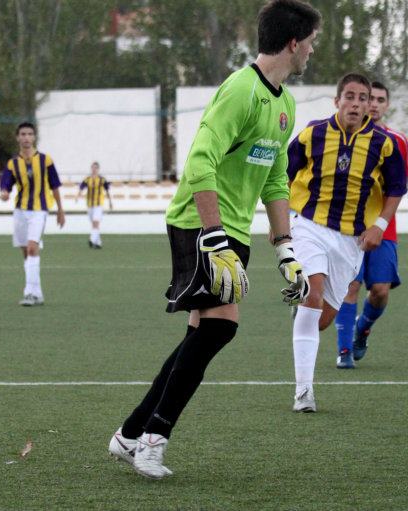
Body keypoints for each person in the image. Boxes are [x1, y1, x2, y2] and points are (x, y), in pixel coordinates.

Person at [107, 0, 320, 479]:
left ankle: (130, 433)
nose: (312, 50)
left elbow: (275, 179)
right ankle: (152, 439)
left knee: (202, 334)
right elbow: (199, 163)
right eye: (310, 41)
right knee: (221, 327)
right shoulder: (240, 91)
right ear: (292, 42)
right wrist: (214, 238)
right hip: (200, 223)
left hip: (232, 228)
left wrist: (285, 248)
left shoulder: (284, 102)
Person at [287, 73, 408, 412]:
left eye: (362, 98)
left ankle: (304, 310)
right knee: (314, 291)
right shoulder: (312, 134)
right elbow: (282, 175)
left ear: (370, 103)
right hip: (309, 226)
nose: (356, 103)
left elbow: (397, 187)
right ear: (337, 101)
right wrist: (278, 221)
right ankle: (303, 392)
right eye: (350, 96)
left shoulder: (383, 143)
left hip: (350, 241)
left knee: (322, 318)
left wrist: (379, 225)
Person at [332, 81, 408, 369]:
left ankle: (362, 329)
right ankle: (344, 351)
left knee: (380, 291)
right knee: (350, 286)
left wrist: (380, 222)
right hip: (348, 227)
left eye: (381, 99)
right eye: (371, 99)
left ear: (386, 104)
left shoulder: (397, 141)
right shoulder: (344, 137)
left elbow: (398, 187)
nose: (375, 104)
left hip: (383, 229)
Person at [0, 122, 66, 306]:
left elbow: (55, 186)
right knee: (26, 254)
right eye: (23, 134)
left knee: (31, 248)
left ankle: (29, 293)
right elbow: (6, 184)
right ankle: (38, 293)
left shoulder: (46, 160)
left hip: (39, 210)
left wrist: (60, 210)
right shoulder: (13, 163)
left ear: (34, 137)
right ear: (17, 137)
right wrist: (4, 193)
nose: (26, 137)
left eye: (30, 134)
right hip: (20, 211)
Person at [76, 161, 113, 249]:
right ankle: (98, 243)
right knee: (94, 224)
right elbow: (81, 188)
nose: (94, 169)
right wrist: (78, 196)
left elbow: (107, 190)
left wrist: (110, 202)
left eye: (96, 168)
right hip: (89, 204)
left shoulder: (102, 179)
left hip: (98, 204)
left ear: (98, 169)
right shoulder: (87, 179)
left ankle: (91, 240)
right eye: (93, 167)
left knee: (96, 222)